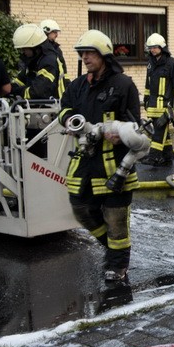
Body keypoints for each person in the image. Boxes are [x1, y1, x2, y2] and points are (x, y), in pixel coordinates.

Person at [59, 30, 142, 282]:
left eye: (90, 53)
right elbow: (64, 110)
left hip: (115, 164)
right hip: (85, 161)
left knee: (116, 218)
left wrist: (121, 134)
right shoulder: (78, 86)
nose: (84, 58)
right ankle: (112, 248)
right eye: (82, 53)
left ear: (104, 55)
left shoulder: (123, 85)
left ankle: (118, 266)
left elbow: (134, 124)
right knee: (81, 208)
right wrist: (71, 121)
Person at [141, 33, 174, 166]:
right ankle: (167, 156)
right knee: (163, 131)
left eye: (154, 47)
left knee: (159, 132)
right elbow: (148, 83)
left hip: (165, 105)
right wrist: (146, 97)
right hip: (153, 104)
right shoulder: (150, 63)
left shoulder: (171, 63)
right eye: (150, 48)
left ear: (161, 47)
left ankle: (153, 157)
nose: (152, 50)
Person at [10, 23, 63, 100]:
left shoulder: (49, 61)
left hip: (55, 107)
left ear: (34, 47)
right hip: (41, 108)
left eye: (24, 49)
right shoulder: (34, 61)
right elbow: (20, 81)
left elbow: (37, 92)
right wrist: (9, 87)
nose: (23, 52)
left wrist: (15, 91)